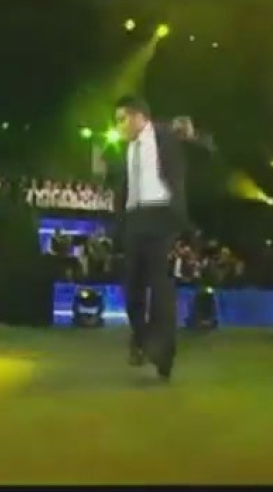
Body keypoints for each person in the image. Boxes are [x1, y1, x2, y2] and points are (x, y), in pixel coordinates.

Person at [108, 95, 188, 380]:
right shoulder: (122, 149)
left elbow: (196, 146)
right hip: (134, 219)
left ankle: (163, 354)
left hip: (161, 216)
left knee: (161, 289)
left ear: (138, 116)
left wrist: (192, 135)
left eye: (122, 119)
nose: (118, 126)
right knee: (132, 288)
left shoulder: (165, 136)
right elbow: (120, 188)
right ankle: (141, 338)